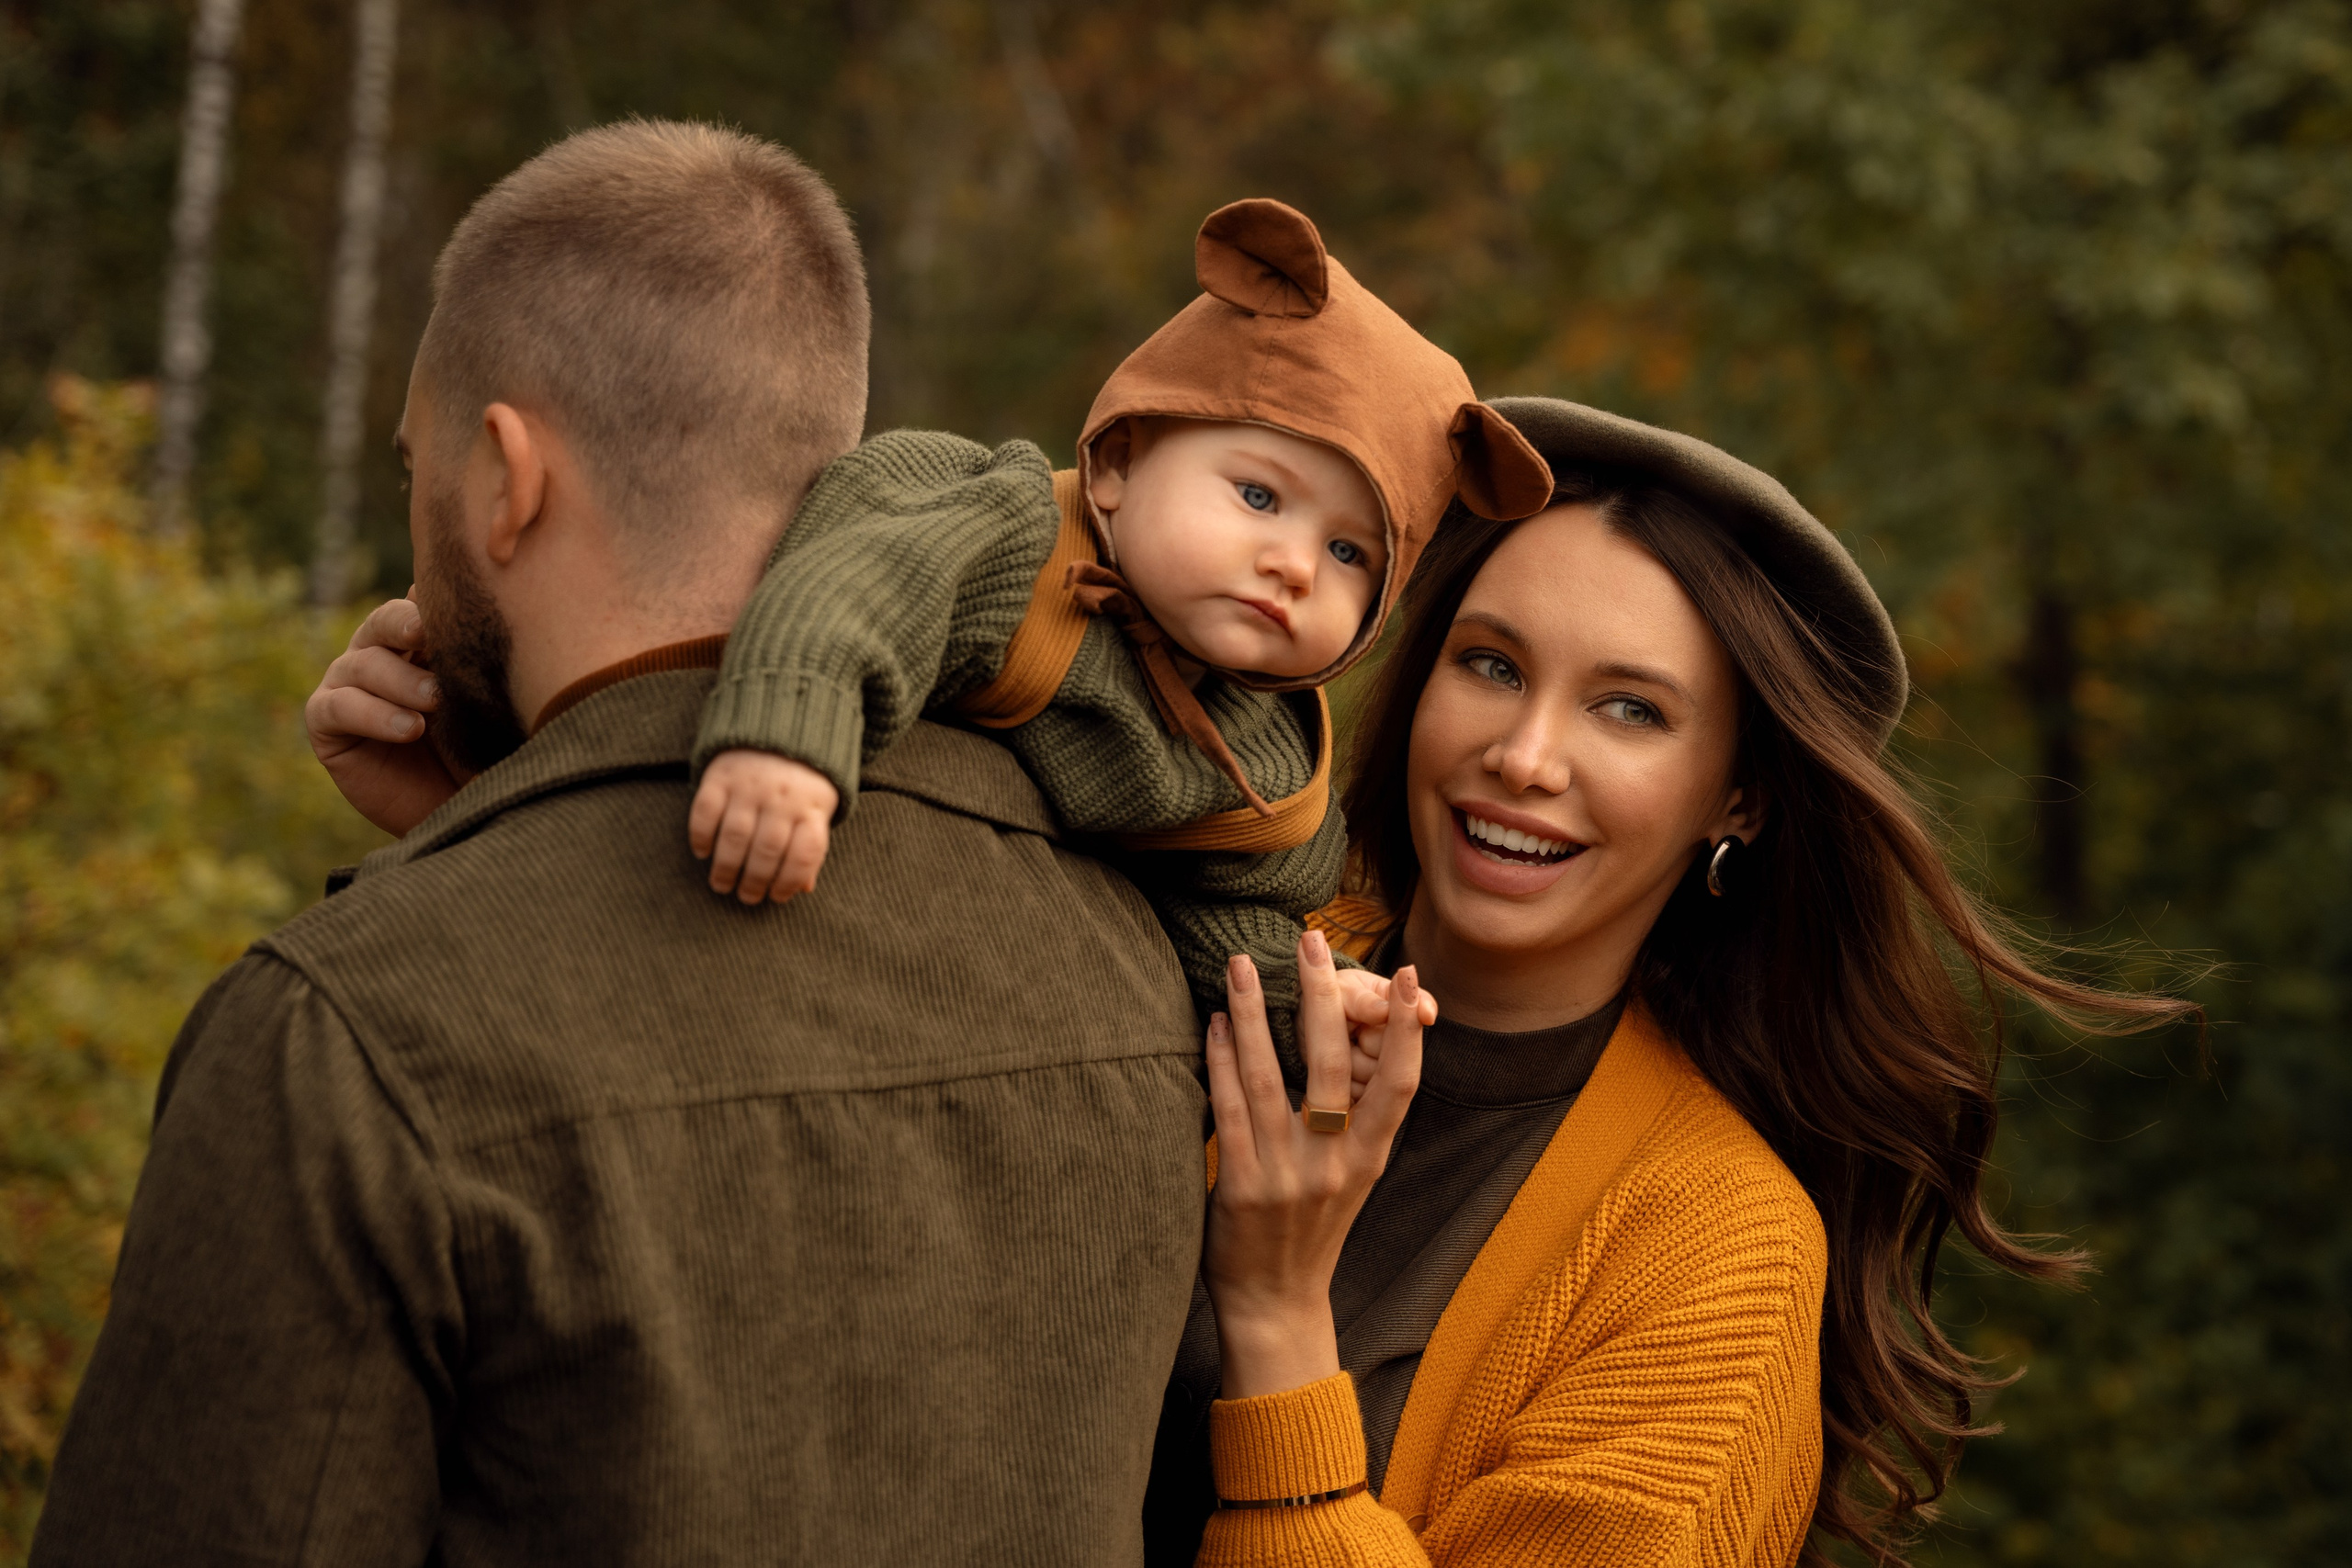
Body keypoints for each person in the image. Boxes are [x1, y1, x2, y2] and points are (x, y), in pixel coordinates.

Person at [32, 121, 1211, 1567]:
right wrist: (497, 814)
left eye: (422, 474)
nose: (419, 542)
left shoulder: (341, 1042)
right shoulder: (1134, 949)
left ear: (507, 475)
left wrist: (462, 891)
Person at [1144, 397, 2197, 1566]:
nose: (1524, 757)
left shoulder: (1719, 1256)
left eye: (1629, 709)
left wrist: (1279, 1317)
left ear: (1736, 797)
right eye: (1491, 665)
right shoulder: (1211, 944)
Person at [685, 197, 1552, 1055]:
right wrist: (789, 736)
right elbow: (855, 586)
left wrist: (1304, 1004)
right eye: (1258, 496)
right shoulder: (1011, 543)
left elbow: (1221, 912)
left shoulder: (1269, 762)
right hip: (806, 905)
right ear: (1122, 461)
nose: (1296, 564)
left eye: (1349, 553)